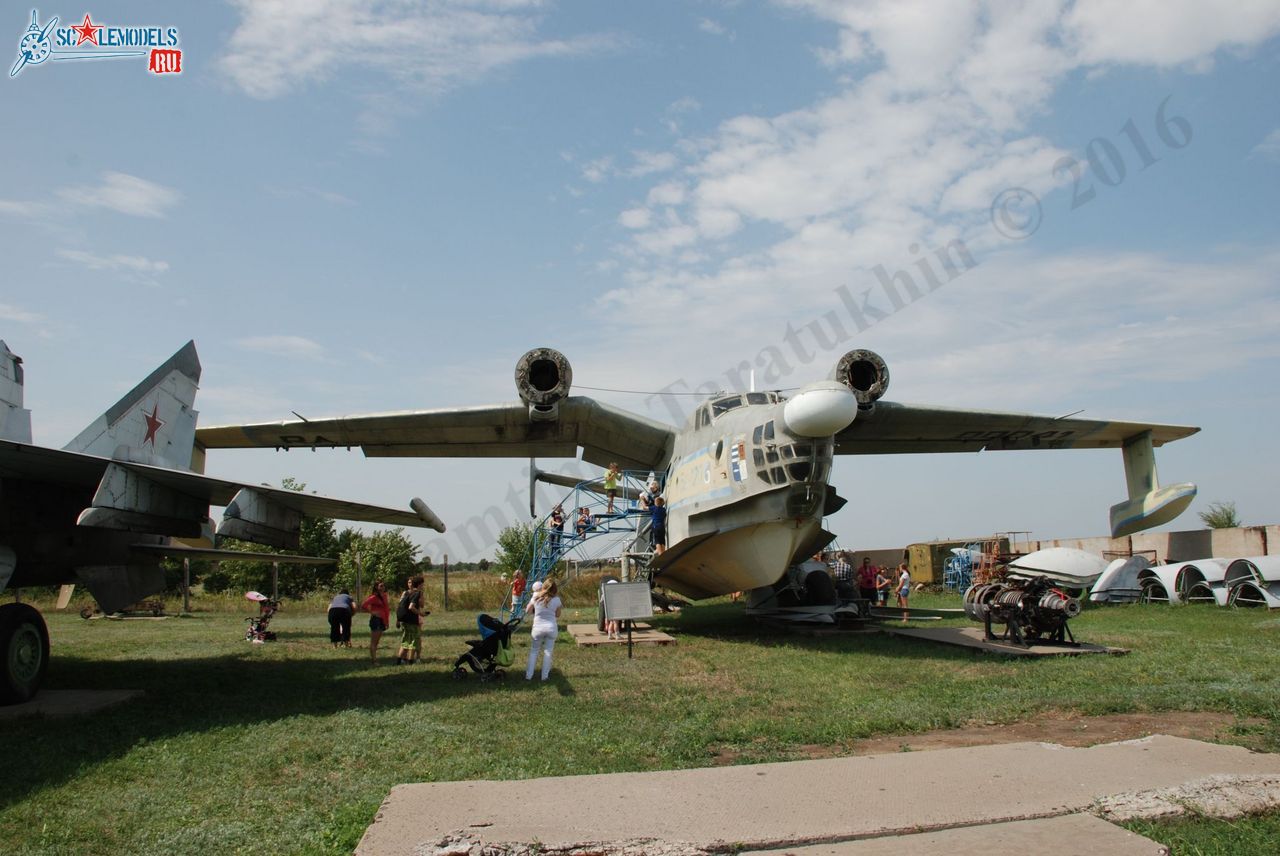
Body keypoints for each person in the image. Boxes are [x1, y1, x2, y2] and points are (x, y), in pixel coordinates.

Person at [525, 579, 563, 681]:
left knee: (534, 652)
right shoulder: (557, 600)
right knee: (548, 652)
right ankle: (544, 677)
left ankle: (529, 676)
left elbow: (527, 611)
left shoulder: (536, 597)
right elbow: (558, 615)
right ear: (555, 589)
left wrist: (535, 610)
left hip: (537, 628)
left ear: (543, 587)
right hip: (551, 628)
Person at [394, 574, 428, 665]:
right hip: (411, 621)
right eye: (422, 584)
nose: (423, 585)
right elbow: (411, 607)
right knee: (414, 640)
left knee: (405, 640)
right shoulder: (417, 593)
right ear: (419, 584)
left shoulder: (407, 593)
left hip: (404, 620)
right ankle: (410, 662)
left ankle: (399, 661)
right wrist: (421, 613)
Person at [361, 580, 391, 664]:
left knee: (377, 642)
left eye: (383, 586)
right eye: (381, 586)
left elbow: (386, 609)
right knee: (374, 642)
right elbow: (363, 605)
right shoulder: (374, 597)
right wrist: (372, 612)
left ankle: (374, 658)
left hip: (382, 620)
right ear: (376, 587)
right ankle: (374, 660)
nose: (382, 587)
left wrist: (387, 622)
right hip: (376, 620)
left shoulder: (385, 596)